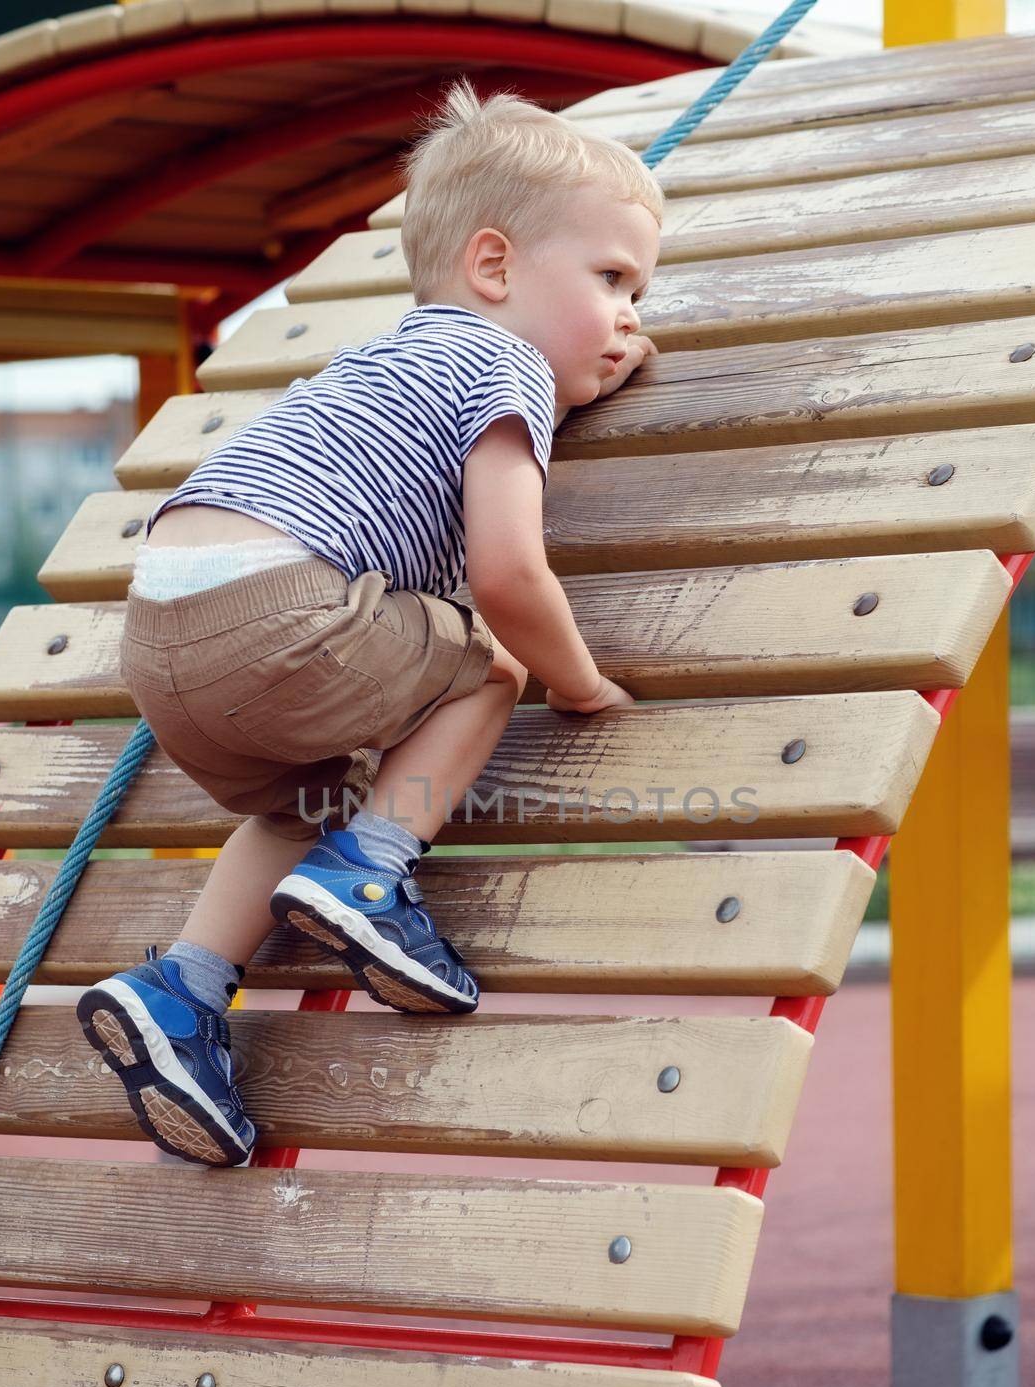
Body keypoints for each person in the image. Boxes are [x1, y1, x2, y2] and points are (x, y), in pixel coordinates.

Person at [75, 76, 662, 1168]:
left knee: (304, 805)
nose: (630, 313)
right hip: (284, 614)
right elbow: (507, 573)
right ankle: (370, 872)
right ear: (494, 267)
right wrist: (581, 684)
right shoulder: (503, 365)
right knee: (490, 667)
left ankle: (182, 990)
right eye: (612, 278)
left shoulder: (383, 361)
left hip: (162, 640)